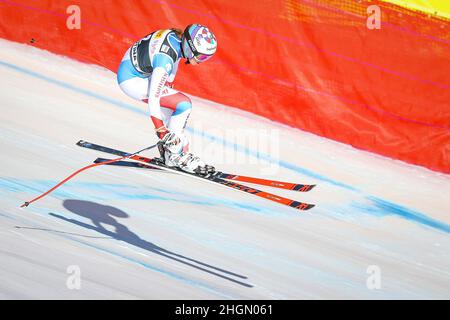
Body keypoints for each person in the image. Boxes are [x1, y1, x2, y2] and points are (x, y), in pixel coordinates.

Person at [117, 24, 217, 175]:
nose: (203, 60)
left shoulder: (176, 41)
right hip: (131, 81)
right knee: (184, 104)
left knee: (181, 137)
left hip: (135, 71)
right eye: (202, 56)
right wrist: (161, 131)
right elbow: (154, 97)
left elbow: (169, 74)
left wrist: (174, 136)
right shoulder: (165, 59)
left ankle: (173, 153)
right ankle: (175, 156)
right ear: (190, 47)